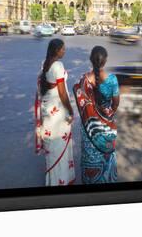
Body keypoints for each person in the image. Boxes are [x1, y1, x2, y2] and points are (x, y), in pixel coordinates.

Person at [73, 46, 119, 184]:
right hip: (107, 126)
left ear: (91, 60)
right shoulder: (112, 80)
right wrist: (107, 116)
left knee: (89, 155)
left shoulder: (84, 80)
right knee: (107, 155)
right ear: (105, 61)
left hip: (88, 127)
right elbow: (116, 104)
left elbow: (82, 103)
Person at [35, 39, 76, 186]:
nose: (64, 51)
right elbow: (62, 93)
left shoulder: (45, 63)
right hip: (58, 110)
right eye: (63, 49)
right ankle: (60, 181)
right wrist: (71, 110)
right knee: (59, 147)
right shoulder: (58, 65)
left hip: (48, 110)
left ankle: (53, 179)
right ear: (56, 50)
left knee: (53, 147)